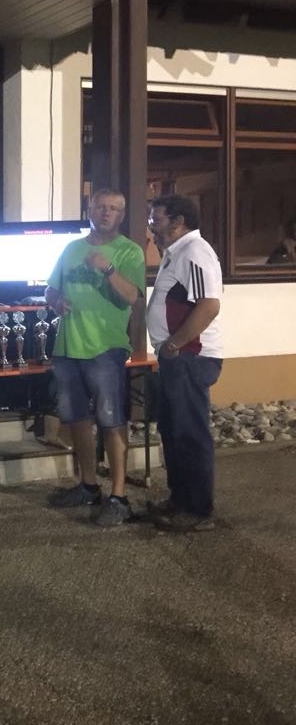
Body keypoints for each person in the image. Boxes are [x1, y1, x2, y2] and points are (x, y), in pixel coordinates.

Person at [45, 189, 146, 527]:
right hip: (67, 347)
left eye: (114, 208)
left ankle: (119, 497)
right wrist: (56, 302)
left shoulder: (129, 251)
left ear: (122, 215)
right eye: (101, 206)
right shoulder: (71, 248)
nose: (106, 213)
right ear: (90, 209)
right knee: (77, 421)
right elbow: (50, 289)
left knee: (112, 421)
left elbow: (131, 297)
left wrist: (108, 268)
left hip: (105, 348)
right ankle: (88, 486)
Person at [146, 195, 224, 532]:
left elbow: (208, 305)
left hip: (190, 356)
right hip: (177, 356)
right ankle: (180, 499)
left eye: (156, 219)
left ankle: (198, 510)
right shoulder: (176, 252)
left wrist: (174, 344)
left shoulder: (194, 252)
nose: (151, 226)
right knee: (173, 429)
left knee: (189, 433)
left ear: (178, 222)